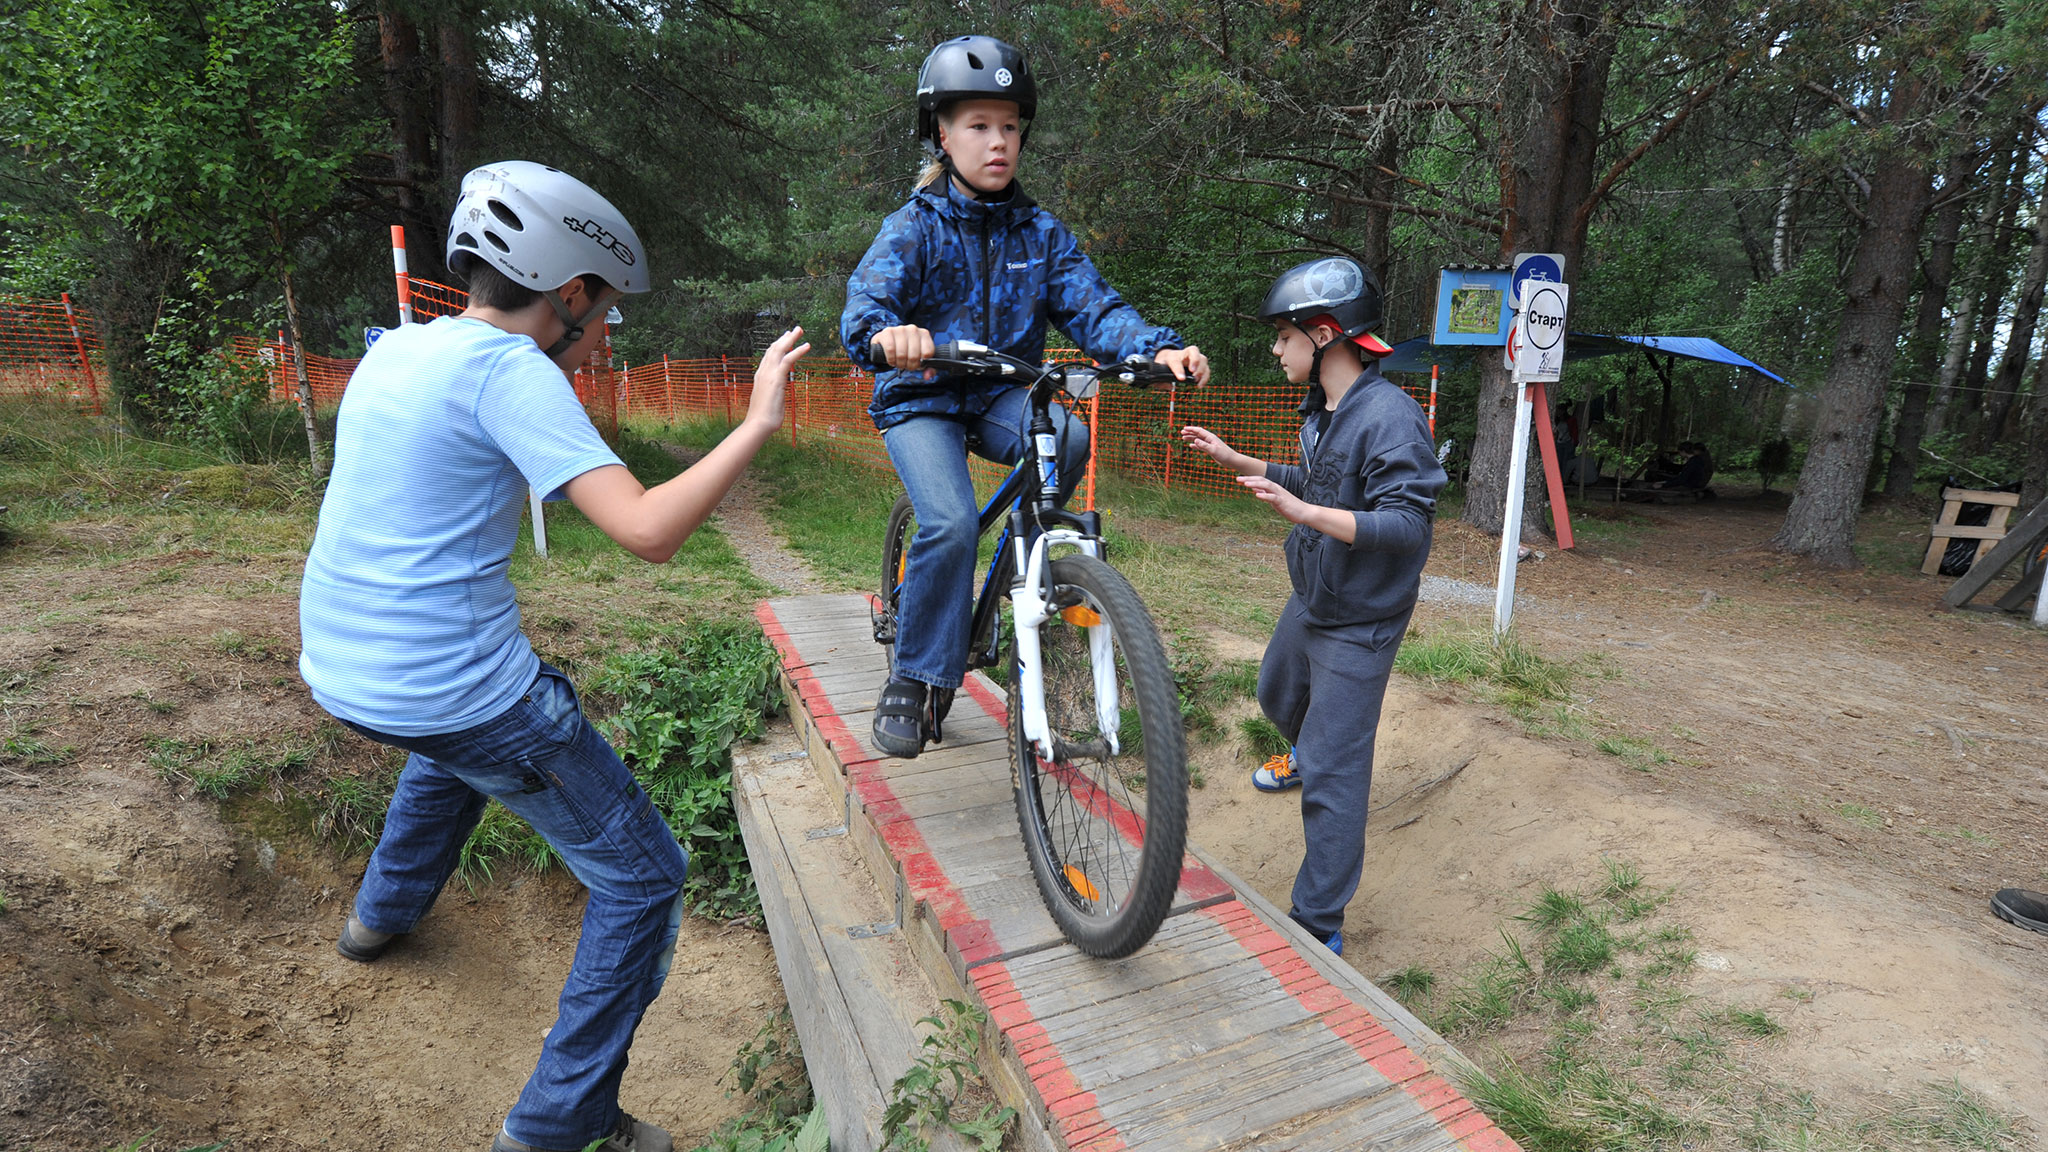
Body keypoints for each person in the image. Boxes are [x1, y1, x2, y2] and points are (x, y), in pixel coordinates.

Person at [299, 160, 810, 1152]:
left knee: (453, 748)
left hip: (344, 670)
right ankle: (557, 1127)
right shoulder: (511, 370)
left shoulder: (402, 347)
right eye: (605, 311)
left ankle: (378, 918)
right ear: (567, 293)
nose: (606, 335)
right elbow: (647, 531)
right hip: (451, 689)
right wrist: (754, 423)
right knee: (643, 876)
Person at [841, 34, 1210, 759]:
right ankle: (915, 674)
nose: (998, 142)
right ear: (943, 135)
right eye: (979, 126)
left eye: (1009, 126)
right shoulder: (913, 228)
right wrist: (889, 335)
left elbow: (1096, 309)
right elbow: (866, 307)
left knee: (1069, 438)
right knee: (950, 522)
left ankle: (1022, 571)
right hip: (922, 397)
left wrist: (1157, 348)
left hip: (1004, 394)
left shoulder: (1040, 234)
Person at [1178, 256, 1446, 956]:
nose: (1276, 350)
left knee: (1335, 772)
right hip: (1316, 595)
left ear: (1324, 335)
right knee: (1275, 690)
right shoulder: (1324, 409)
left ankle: (1319, 921)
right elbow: (1321, 482)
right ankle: (1308, 751)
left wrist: (1305, 513)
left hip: (1363, 617)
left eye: (1283, 336)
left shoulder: (1390, 418)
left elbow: (1407, 525)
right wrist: (1241, 461)